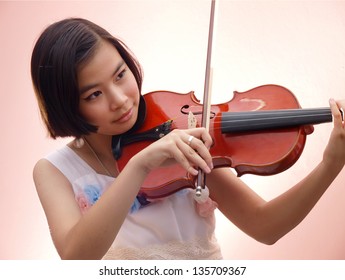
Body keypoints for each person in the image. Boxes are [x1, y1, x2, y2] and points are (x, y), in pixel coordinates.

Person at [31, 18, 345, 260]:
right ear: (65, 105)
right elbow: (77, 256)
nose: (120, 100)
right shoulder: (55, 171)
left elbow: (266, 226)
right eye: (94, 94)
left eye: (120, 75)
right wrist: (141, 164)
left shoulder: (179, 132)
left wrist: (331, 164)